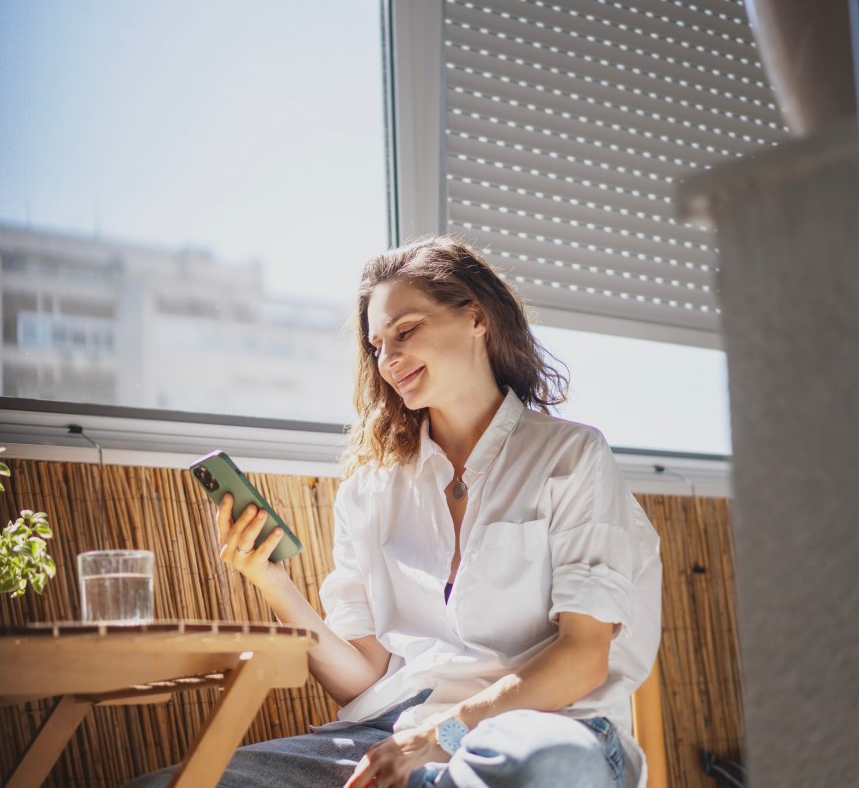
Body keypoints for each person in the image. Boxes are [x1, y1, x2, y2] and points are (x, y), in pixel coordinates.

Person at [126, 236, 662, 788]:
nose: (388, 359)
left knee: (553, 768)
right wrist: (272, 582)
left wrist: (439, 738)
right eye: (377, 345)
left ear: (476, 317)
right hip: (395, 731)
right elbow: (362, 678)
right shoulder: (369, 490)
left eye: (405, 331)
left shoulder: (569, 457)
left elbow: (582, 658)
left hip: (541, 727)